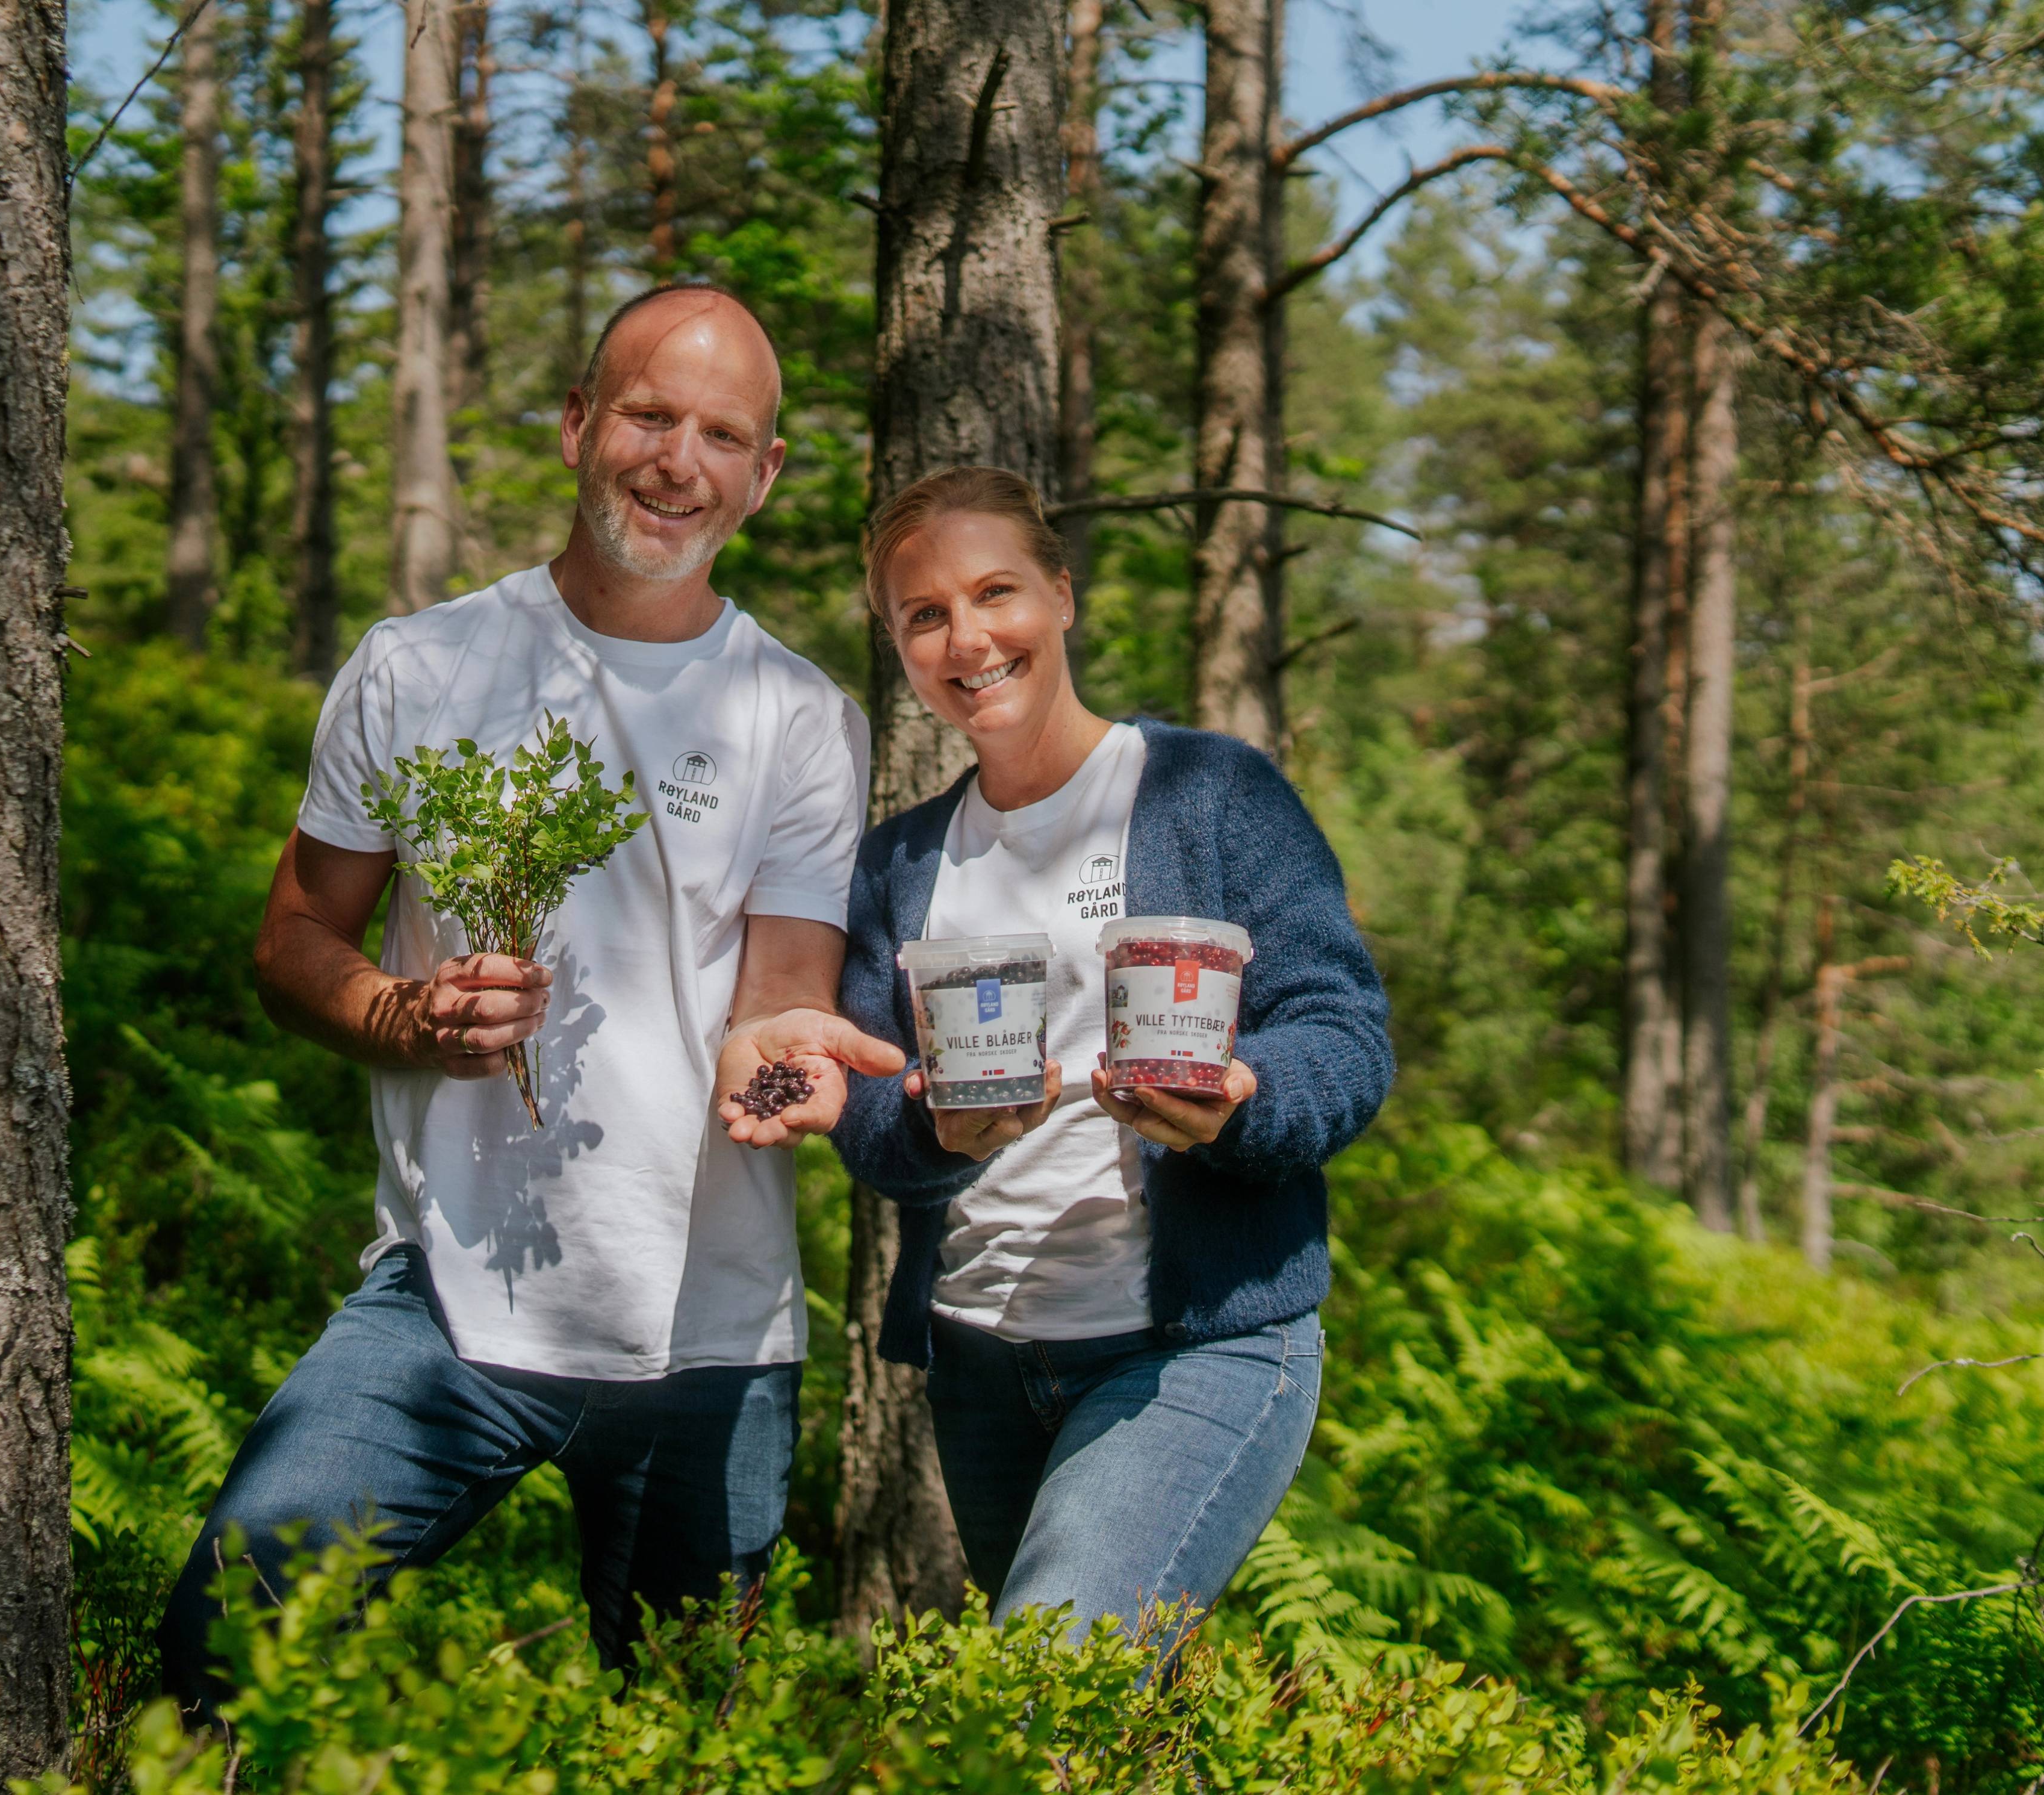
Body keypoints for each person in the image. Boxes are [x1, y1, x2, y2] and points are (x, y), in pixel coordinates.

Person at [158, 284, 904, 1714]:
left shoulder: (801, 719)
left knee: (697, 1738)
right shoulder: (419, 665)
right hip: (445, 1299)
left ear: (765, 473)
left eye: (721, 433)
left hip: (711, 1329)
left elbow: (783, 988)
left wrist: (786, 1052)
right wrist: (402, 1017)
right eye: (647, 415)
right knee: (221, 1641)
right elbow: (296, 940)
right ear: (577, 425)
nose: (678, 460)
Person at [831, 467, 1393, 1660]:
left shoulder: (1205, 793)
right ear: (896, 644)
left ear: (1062, 596)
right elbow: (866, 1114)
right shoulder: (898, 864)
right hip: (979, 1363)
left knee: (1042, 1682)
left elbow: (1339, 1028)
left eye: (996, 592)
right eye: (922, 615)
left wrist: (1240, 1102)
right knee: (1110, 1728)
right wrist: (934, 1130)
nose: (966, 638)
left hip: (1195, 1346)